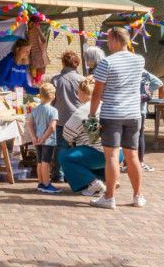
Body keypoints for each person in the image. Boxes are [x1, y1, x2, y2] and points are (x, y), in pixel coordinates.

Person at [85, 27, 147, 210]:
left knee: (111, 156)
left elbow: (97, 92)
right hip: (134, 114)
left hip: (112, 113)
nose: (108, 44)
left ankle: (109, 197)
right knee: (132, 155)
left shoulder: (106, 63)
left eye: (108, 41)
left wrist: (91, 114)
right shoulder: (139, 60)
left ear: (114, 40)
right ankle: (138, 196)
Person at [48, 51, 87, 185]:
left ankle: (58, 174)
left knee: (61, 147)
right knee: (79, 147)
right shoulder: (82, 79)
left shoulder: (56, 79)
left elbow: (52, 100)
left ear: (63, 62)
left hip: (61, 118)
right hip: (79, 118)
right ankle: (74, 174)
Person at [55, 111, 108, 198]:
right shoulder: (105, 106)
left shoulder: (81, 112)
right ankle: (109, 180)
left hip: (99, 154)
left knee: (65, 157)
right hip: (118, 152)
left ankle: (94, 183)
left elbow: (67, 136)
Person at [29, 82, 60, 194]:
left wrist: (33, 136)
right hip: (48, 140)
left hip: (37, 139)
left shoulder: (35, 109)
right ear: (53, 96)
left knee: (39, 162)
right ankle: (46, 184)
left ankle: (41, 182)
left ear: (40, 95)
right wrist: (44, 138)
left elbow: (29, 124)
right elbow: (52, 127)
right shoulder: (53, 111)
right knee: (46, 162)